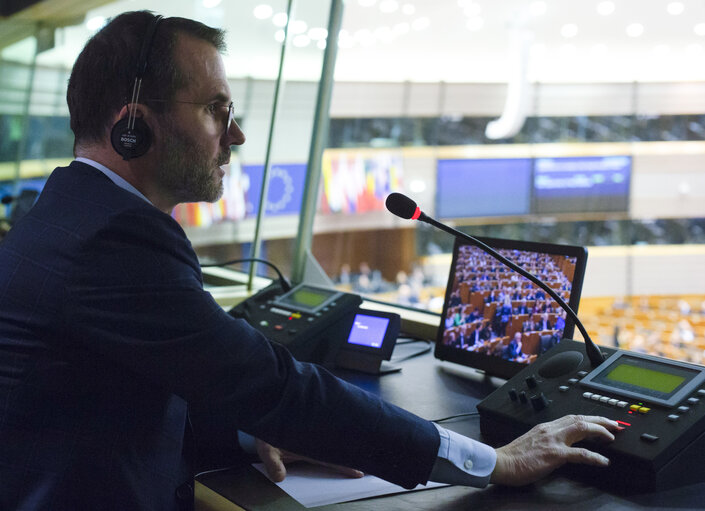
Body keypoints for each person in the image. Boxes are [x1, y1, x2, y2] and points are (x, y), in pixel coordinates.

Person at [0, 11, 619, 511]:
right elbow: (272, 385)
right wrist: (496, 461)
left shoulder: (66, 213)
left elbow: (110, 409)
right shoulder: (111, 240)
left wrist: (250, 433)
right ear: (134, 127)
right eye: (218, 109)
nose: (235, 136)